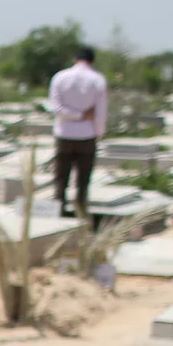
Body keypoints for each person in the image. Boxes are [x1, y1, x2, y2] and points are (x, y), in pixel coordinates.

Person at [48, 46, 108, 219]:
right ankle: (81, 214)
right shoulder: (97, 80)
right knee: (83, 181)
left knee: (61, 178)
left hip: (64, 133)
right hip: (87, 136)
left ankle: (58, 213)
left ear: (75, 59)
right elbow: (100, 113)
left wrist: (74, 116)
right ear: (92, 61)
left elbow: (56, 108)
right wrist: (97, 132)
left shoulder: (59, 78)